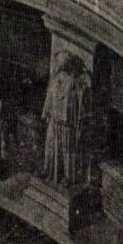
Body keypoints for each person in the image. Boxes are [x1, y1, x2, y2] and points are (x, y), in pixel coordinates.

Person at [42, 53, 91, 186]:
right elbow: (49, 96)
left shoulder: (75, 81)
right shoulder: (56, 79)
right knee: (52, 146)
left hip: (67, 122)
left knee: (67, 150)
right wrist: (46, 112)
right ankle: (51, 171)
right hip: (55, 118)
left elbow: (83, 93)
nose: (59, 64)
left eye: (62, 62)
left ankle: (69, 177)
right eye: (59, 62)